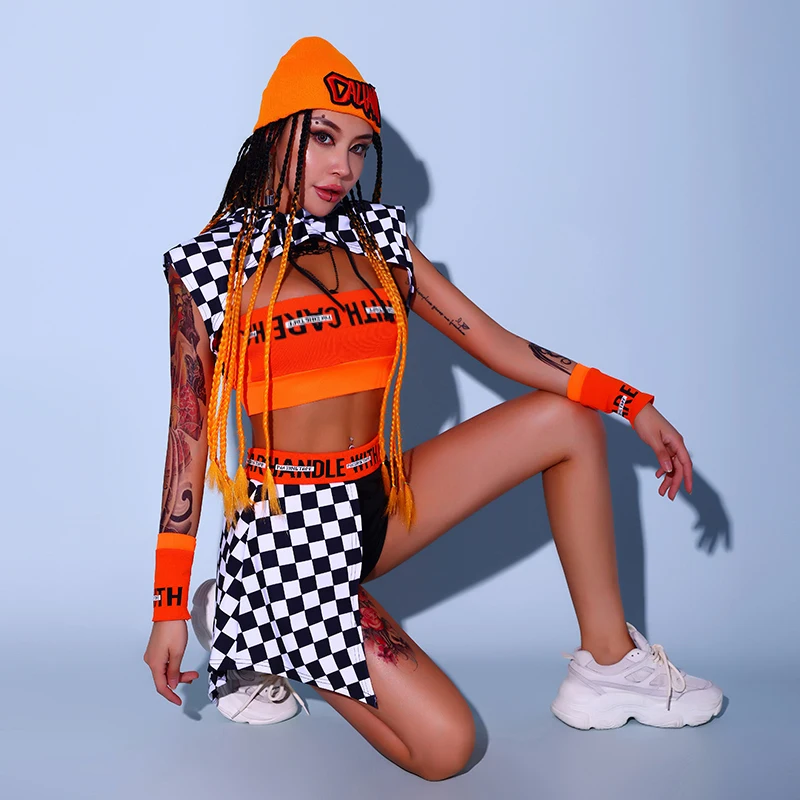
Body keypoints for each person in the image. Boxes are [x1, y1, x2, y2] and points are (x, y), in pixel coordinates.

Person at [143, 36, 722, 781]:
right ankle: (244, 615)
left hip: (379, 499)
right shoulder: (208, 265)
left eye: (358, 148)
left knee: (568, 422)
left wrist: (631, 402)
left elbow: (500, 346)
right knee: (447, 749)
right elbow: (186, 438)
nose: (342, 167)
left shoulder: (381, 240)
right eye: (323, 138)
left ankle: (609, 666)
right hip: (289, 541)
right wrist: (165, 608)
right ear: (275, 134)